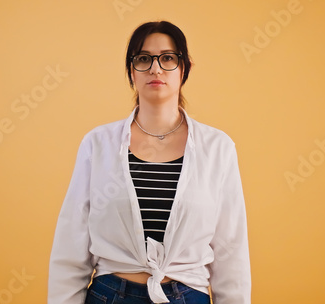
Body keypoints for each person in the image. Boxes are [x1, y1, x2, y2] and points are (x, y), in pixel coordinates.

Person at [48, 21, 251, 304]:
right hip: (111, 295)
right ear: (131, 70)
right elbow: (71, 242)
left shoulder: (218, 148)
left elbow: (232, 250)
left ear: (184, 68)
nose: (156, 68)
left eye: (168, 58)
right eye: (144, 59)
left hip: (188, 295)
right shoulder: (98, 144)